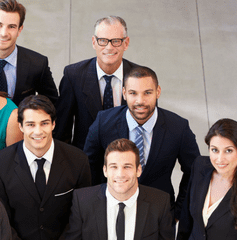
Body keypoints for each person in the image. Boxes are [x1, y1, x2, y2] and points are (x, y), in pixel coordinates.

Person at [83, 66, 200, 219]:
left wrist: (178, 211)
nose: (140, 101)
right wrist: (96, 205)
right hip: (111, 212)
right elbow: (87, 167)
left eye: (147, 93)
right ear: (124, 93)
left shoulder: (179, 127)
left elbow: (194, 171)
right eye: (133, 93)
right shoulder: (103, 123)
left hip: (159, 215)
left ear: (158, 91)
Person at [0, 95, 91, 239]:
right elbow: (0, 218)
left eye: (44, 123)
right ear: (20, 126)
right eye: (30, 124)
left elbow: (82, 214)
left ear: (53, 124)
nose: (38, 131)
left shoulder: (78, 161)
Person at [54, 16, 141, 150]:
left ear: (126, 43)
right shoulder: (74, 75)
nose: (109, 47)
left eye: (116, 41)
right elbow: (62, 130)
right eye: (103, 41)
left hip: (126, 164)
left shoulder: (141, 77)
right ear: (94, 42)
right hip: (84, 162)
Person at [63, 139, 174, 240]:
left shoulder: (160, 203)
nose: (120, 174)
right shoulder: (82, 201)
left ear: (138, 170)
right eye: (114, 167)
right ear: (105, 170)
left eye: (127, 166)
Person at [177, 119, 237, 240]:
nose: (220, 159)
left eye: (228, 151)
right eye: (215, 150)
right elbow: (186, 221)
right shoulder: (199, 167)